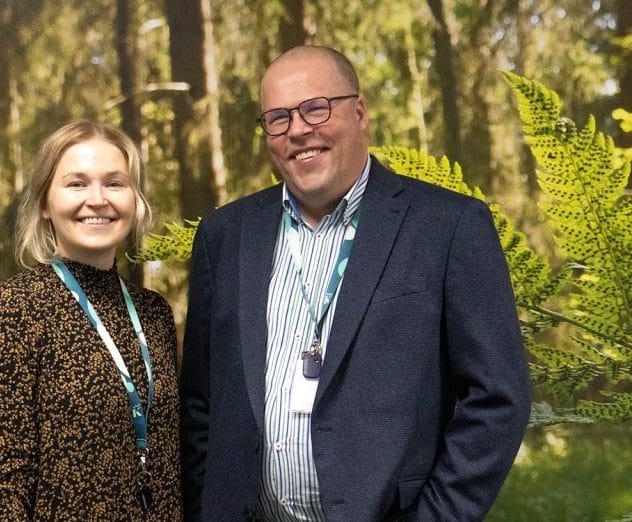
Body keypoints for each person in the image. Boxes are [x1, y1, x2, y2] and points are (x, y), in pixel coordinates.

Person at [180, 45, 530, 521]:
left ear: (360, 113)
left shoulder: (448, 227)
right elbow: (201, 402)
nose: (298, 129)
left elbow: (497, 399)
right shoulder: (224, 235)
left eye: (316, 108)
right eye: (278, 118)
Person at [0, 120, 182, 520]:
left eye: (115, 183)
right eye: (76, 184)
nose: (98, 199)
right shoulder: (8, 312)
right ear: (44, 203)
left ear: (135, 199)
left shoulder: (154, 313)